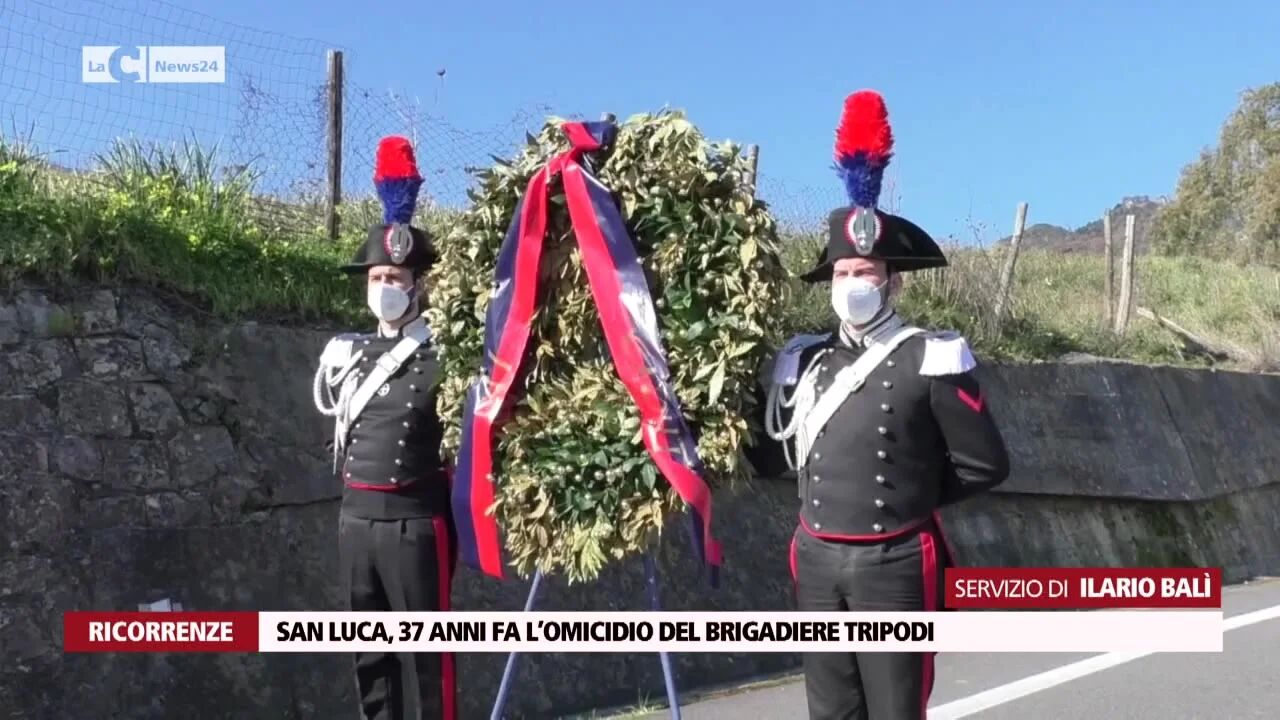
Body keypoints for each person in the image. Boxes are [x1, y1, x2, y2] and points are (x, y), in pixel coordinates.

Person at [745, 91, 1010, 720]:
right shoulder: (801, 360)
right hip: (814, 558)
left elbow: (984, 465)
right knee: (829, 708)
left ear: (891, 281)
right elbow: (773, 458)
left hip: (894, 561)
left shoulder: (932, 355)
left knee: (895, 708)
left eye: (865, 273)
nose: (852, 285)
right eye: (842, 273)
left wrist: (907, 497)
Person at [312, 136, 456, 720]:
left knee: (430, 661)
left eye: (396, 277)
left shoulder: (446, 355)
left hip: (415, 524)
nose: (385, 289)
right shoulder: (346, 353)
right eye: (377, 277)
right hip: (355, 522)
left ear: (418, 285)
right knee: (369, 657)